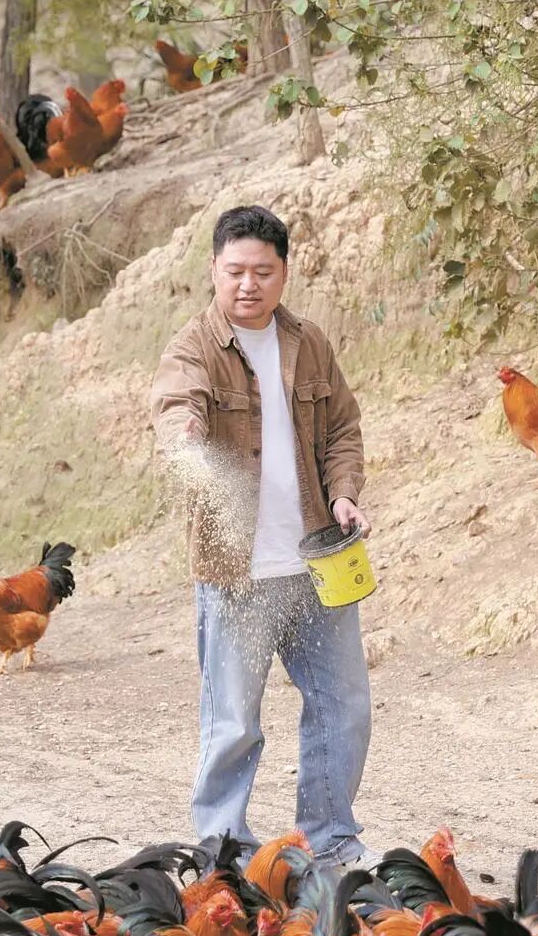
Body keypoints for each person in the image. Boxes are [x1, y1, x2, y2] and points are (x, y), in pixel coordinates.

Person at [150, 203, 373, 867]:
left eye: (263, 272)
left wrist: (343, 491)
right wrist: (185, 436)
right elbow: (175, 403)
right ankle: (224, 851)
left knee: (342, 708)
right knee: (233, 720)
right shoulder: (192, 347)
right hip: (237, 573)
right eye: (235, 271)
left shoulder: (309, 343)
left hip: (316, 563)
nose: (248, 284)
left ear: (284, 273)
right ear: (214, 270)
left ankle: (330, 841)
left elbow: (343, 427)